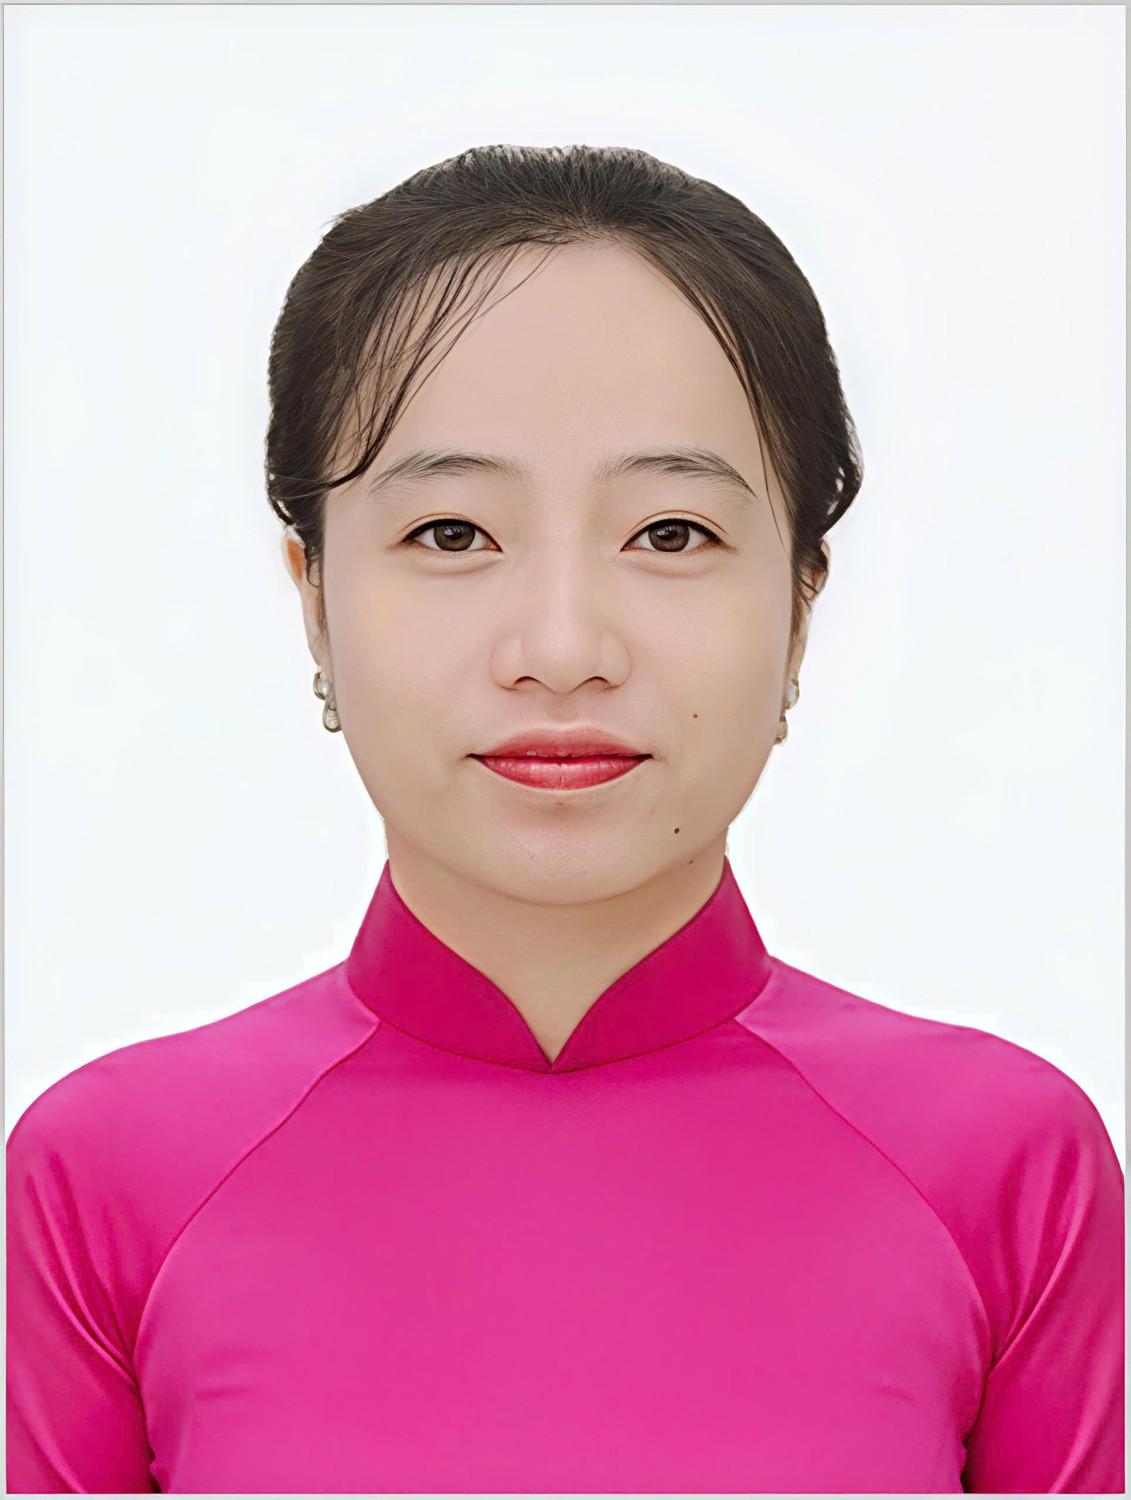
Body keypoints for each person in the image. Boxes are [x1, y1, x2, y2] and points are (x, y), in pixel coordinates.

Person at [7, 144, 1123, 1495]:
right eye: (451, 534)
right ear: (314, 598)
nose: (560, 648)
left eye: (670, 534)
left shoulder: (1007, 1172)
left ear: (800, 605)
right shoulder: (103, 1184)